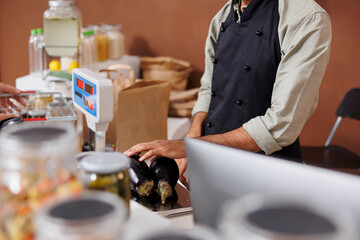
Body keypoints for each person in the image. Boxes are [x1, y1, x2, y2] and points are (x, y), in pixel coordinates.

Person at [125, 0, 332, 177]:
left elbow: (280, 124)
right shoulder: (223, 17)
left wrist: (190, 146)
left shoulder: (306, 19)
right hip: (214, 167)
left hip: (268, 174)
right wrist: (193, 135)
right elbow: (209, 88)